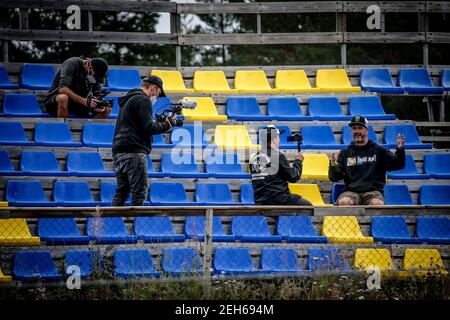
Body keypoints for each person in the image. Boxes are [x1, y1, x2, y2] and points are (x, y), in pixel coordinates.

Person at [111, 76, 182, 206]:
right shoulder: (143, 100)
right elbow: (148, 127)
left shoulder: (130, 99)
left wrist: (161, 122)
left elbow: (139, 124)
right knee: (139, 192)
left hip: (119, 150)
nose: (156, 98)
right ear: (154, 88)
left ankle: (113, 223)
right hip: (133, 152)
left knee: (122, 192)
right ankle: (134, 223)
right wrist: (168, 124)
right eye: (158, 94)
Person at [329, 115, 406, 205]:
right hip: (351, 192)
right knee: (344, 202)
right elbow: (334, 177)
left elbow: (398, 164)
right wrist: (334, 163)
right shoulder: (345, 153)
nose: (357, 131)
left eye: (360, 128)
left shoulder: (379, 151)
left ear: (367, 130)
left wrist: (400, 150)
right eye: (354, 128)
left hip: (373, 192)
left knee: (377, 203)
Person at [249, 125, 312, 206]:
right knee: (308, 206)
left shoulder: (254, 158)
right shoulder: (277, 156)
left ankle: (271, 218)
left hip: (260, 201)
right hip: (280, 199)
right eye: (278, 137)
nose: (279, 140)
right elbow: (293, 177)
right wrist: (298, 161)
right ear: (274, 140)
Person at [43, 56, 111, 119]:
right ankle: (62, 129)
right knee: (63, 98)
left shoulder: (96, 73)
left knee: (106, 109)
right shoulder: (72, 63)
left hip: (77, 102)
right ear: (89, 66)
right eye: (94, 75)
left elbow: (97, 93)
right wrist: (85, 101)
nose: (95, 78)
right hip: (55, 101)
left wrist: (97, 102)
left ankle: (92, 131)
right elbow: (62, 89)